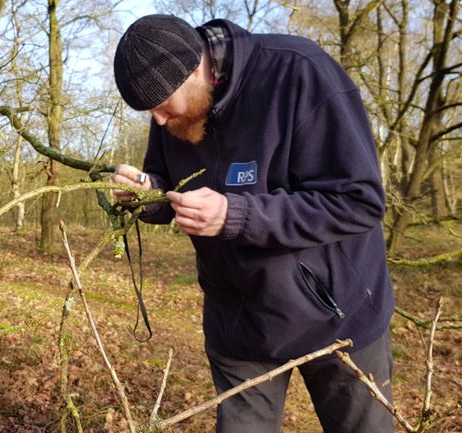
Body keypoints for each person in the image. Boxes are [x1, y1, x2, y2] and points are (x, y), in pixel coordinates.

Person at [110, 15, 395, 433]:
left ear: (195, 68)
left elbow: (358, 201)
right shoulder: (173, 112)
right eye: (148, 110)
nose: (157, 120)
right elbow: (170, 186)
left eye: (160, 103)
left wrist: (235, 215)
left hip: (336, 317)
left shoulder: (298, 72)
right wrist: (147, 193)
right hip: (238, 322)